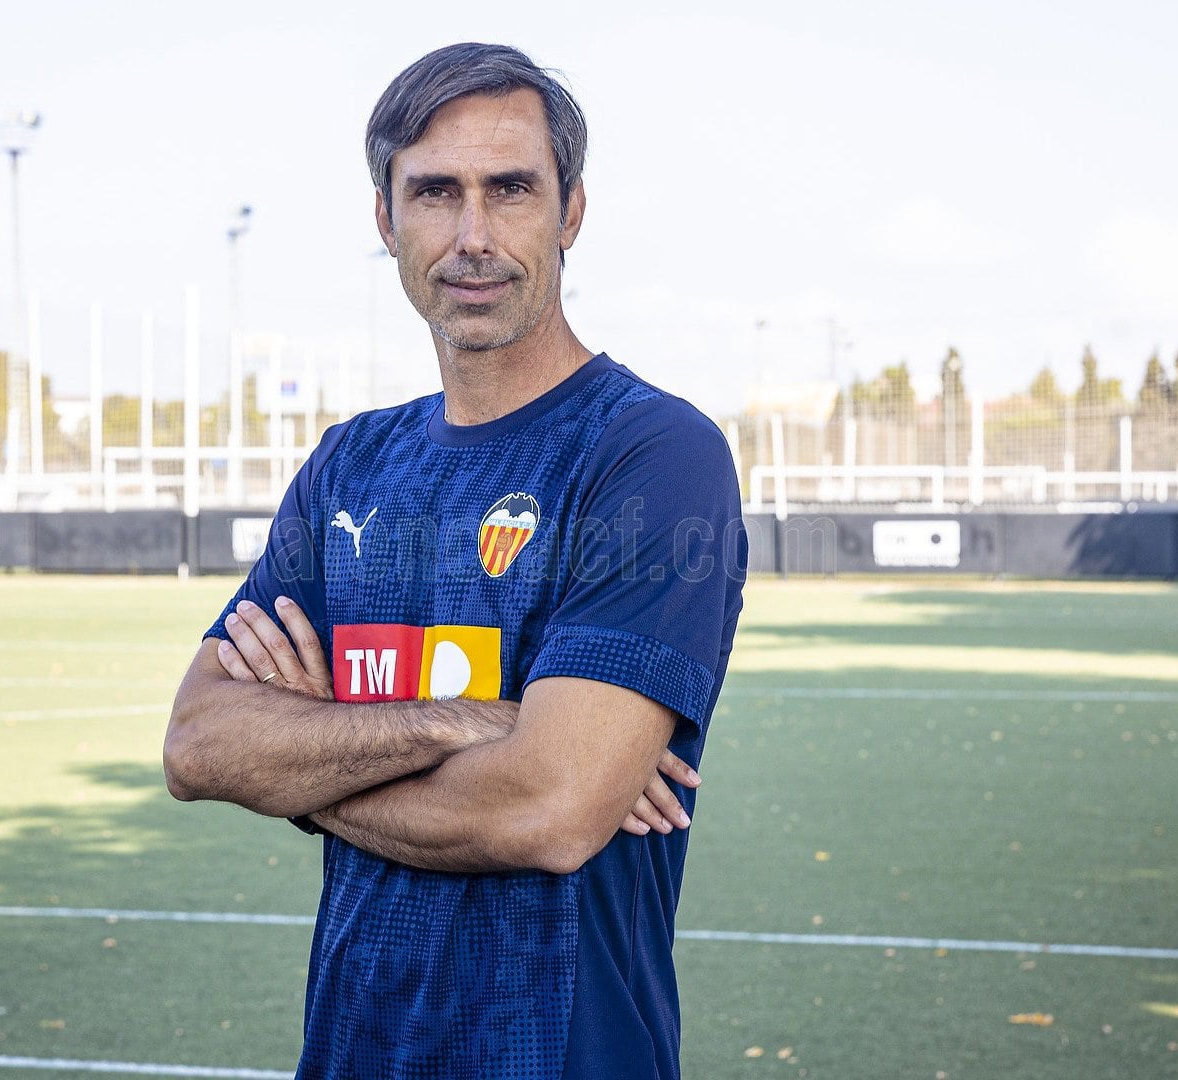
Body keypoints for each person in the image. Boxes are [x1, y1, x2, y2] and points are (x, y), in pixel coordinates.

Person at [163, 42, 746, 1079]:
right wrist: (463, 721)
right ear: (386, 222)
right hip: (354, 1052)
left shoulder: (649, 453)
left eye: (509, 189)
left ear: (570, 212)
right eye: (435, 193)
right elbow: (201, 745)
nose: (473, 236)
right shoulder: (350, 463)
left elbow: (551, 807)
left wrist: (303, 760)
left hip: (563, 1054)